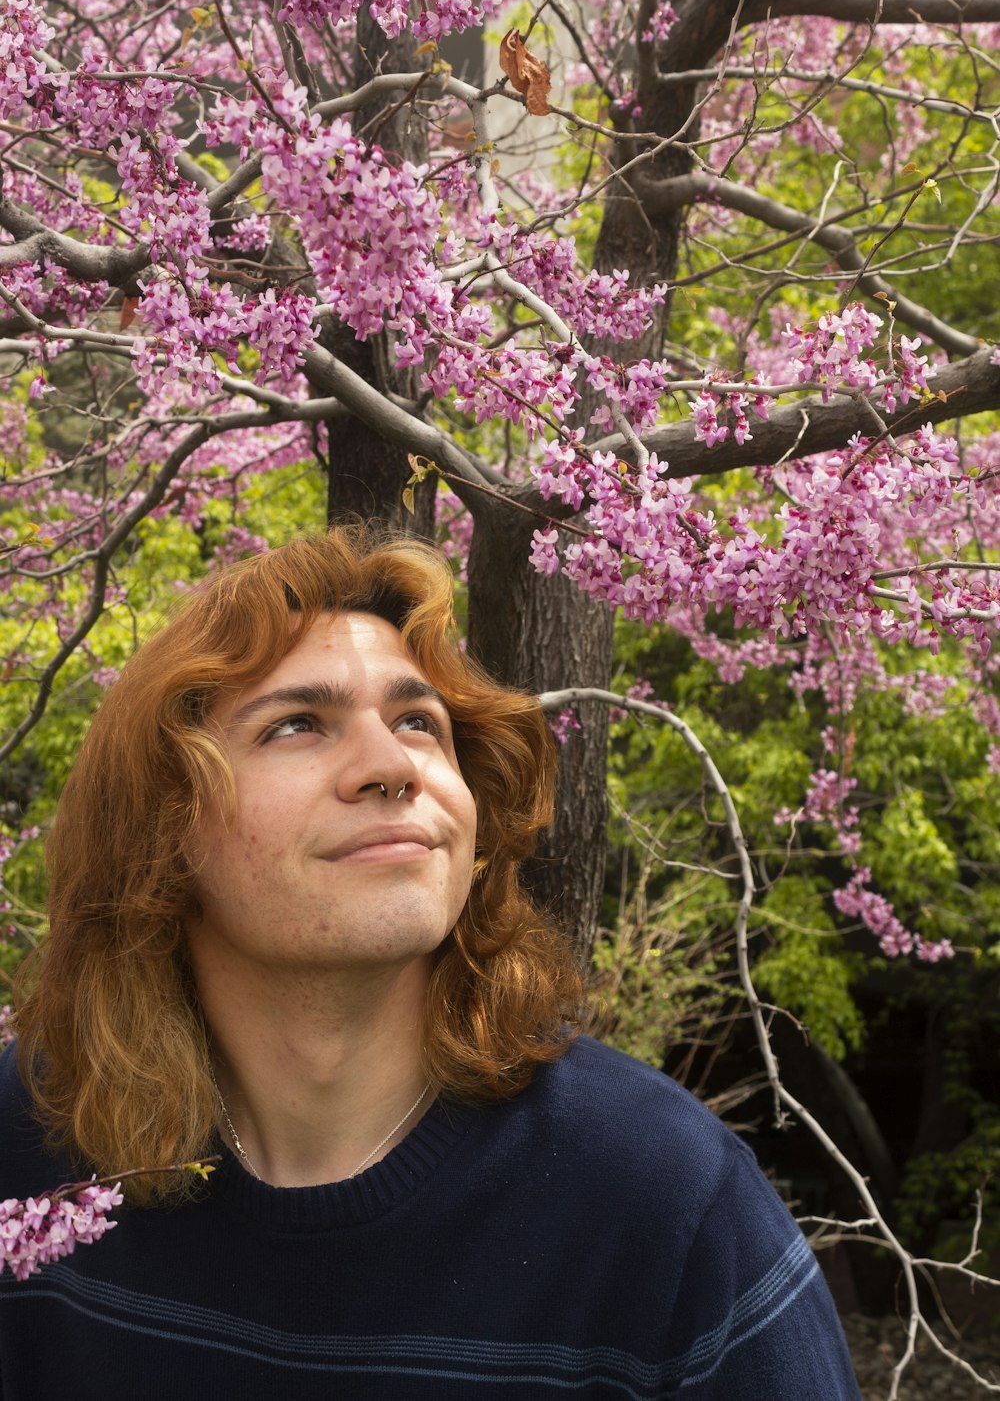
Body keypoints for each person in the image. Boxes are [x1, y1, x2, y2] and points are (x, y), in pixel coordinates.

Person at [0, 527, 862, 1399]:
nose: (392, 767)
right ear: (159, 829)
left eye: (419, 722)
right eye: (298, 724)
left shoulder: (668, 1207)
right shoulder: (31, 1141)